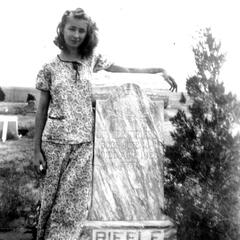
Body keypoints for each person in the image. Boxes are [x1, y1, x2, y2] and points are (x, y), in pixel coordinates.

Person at [33, 8, 177, 240]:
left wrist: (158, 71)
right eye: (72, 28)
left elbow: (127, 70)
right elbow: (41, 110)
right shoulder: (48, 68)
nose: (76, 35)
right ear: (62, 29)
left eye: (82, 30)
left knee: (74, 205)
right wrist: (36, 149)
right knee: (51, 200)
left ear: (88, 34)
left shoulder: (92, 59)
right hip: (54, 143)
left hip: (84, 144)